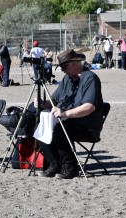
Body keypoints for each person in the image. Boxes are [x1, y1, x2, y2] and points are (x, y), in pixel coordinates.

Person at [37, 49, 105, 179]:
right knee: (41, 126)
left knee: (60, 130)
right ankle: (54, 164)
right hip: (66, 120)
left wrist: (65, 113)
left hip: (86, 125)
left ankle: (70, 167)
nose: (62, 70)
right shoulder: (67, 79)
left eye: (64, 67)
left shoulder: (90, 78)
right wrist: (42, 103)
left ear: (75, 63)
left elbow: (89, 107)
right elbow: (54, 100)